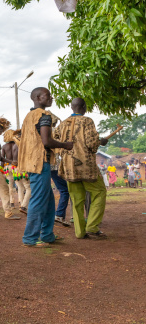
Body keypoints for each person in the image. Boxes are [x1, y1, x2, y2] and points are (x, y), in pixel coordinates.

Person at [18, 87, 73, 247]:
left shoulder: (29, 116)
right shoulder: (44, 115)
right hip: (41, 162)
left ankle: (47, 235)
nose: (51, 98)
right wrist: (65, 145)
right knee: (39, 200)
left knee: (48, 200)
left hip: (33, 162)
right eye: (47, 95)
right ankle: (30, 238)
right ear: (37, 97)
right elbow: (46, 141)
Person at [54, 97, 108, 239]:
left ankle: (79, 232)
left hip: (69, 167)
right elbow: (91, 143)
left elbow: (54, 141)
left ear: (72, 107)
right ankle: (92, 226)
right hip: (87, 167)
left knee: (76, 199)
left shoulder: (63, 124)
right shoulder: (87, 121)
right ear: (84, 107)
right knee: (100, 192)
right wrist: (100, 141)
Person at [8, 129, 31, 215]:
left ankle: (22, 203)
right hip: (22, 168)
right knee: (29, 188)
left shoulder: (14, 145)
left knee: (20, 187)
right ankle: (24, 206)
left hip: (15, 169)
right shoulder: (22, 144)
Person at [1, 130, 17, 208]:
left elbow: (2, 159)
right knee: (20, 185)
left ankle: (12, 202)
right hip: (16, 166)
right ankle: (21, 201)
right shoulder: (17, 144)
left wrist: (1, 169)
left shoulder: (4, 146)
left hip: (7, 167)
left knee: (10, 186)